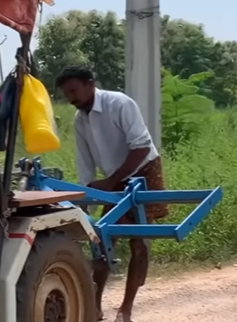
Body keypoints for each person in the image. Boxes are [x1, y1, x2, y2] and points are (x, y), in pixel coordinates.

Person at [55, 65, 169, 322]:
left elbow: (141, 147)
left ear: (90, 84)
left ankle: (125, 309)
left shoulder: (119, 103)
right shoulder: (80, 119)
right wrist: (85, 200)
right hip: (113, 179)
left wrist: (111, 181)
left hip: (143, 170)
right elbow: (85, 163)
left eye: (74, 91)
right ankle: (94, 307)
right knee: (103, 239)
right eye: (66, 94)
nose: (71, 99)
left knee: (140, 241)